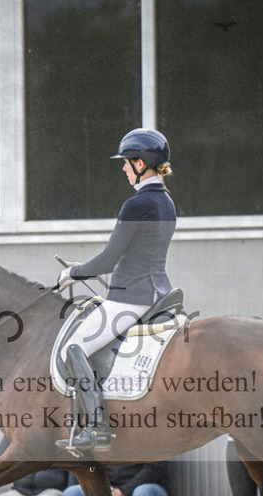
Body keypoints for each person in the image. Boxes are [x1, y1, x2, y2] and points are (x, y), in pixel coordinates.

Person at [55, 128, 177, 454]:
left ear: (140, 163)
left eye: (126, 162)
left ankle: (95, 428)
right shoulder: (165, 201)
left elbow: (109, 259)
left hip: (131, 297)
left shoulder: (137, 204)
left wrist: (74, 272)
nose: (123, 168)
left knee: (73, 348)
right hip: (156, 291)